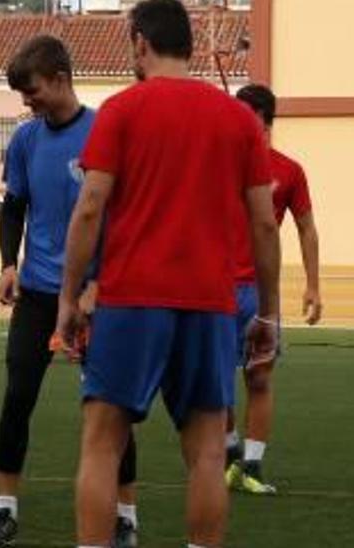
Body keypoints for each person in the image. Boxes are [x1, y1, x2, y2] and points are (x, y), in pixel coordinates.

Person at [53, 1, 281, 546]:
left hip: (132, 298)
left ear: (139, 43)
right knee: (205, 449)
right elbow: (265, 225)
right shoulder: (237, 119)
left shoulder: (121, 110)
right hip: (210, 302)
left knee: (103, 442)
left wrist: (68, 297)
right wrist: (269, 311)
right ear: (193, 46)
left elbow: (89, 207)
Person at [0, 35, 139, 548]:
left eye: (33, 90)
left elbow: (122, 216)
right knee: (17, 397)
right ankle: (5, 510)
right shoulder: (25, 140)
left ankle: (126, 516)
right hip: (41, 294)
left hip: (99, 296)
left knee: (110, 407)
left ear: (62, 79)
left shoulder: (104, 131)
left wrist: (97, 284)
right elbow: (15, 207)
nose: (27, 102)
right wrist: (6, 265)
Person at [224, 83, 323, 495]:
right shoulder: (219, 165)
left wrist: (313, 287)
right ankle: (228, 459)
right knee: (216, 381)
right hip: (216, 288)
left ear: (263, 118)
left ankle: (252, 466)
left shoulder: (289, 170)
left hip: (260, 292)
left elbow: (306, 228)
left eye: (241, 112)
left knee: (259, 379)